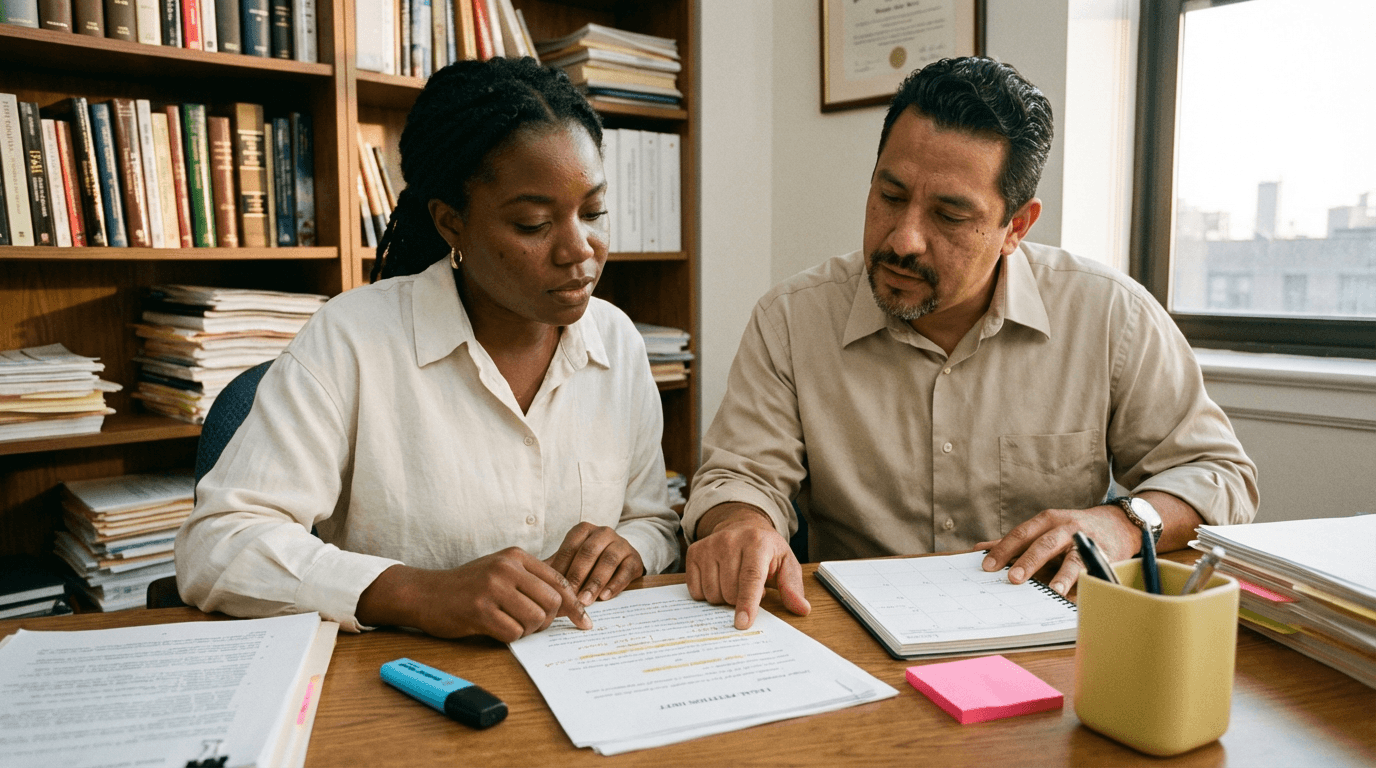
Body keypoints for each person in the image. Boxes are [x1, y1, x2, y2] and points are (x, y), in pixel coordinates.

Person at [683, 56, 1258, 630]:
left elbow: (1218, 472)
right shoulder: (791, 319)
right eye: (890, 194)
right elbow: (742, 477)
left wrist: (1125, 521)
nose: (904, 239)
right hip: (855, 636)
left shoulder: (1109, 315)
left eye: (950, 215)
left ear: (1017, 227)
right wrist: (744, 523)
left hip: (1048, 637)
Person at [176, 58, 680, 641]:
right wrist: (418, 591)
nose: (579, 250)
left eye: (593, 212)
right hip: (401, 693)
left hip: (584, 673)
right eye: (534, 224)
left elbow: (653, 519)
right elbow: (218, 543)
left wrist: (633, 547)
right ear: (450, 223)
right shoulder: (353, 339)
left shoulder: (617, 341)